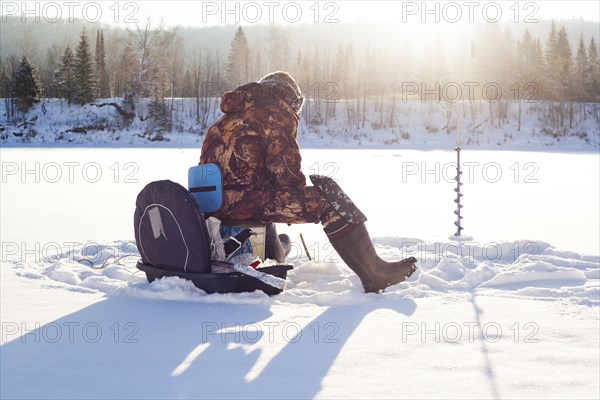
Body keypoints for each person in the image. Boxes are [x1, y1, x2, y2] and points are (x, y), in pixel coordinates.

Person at [199, 71, 417, 293]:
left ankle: (273, 253)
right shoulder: (276, 112)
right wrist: (300, 190)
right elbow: (286, 178)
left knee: (263, 196)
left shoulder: (227, 119)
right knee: (326, 200)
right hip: (245, 203)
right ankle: (375, 274)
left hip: (213, 206)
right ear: (291, 99)